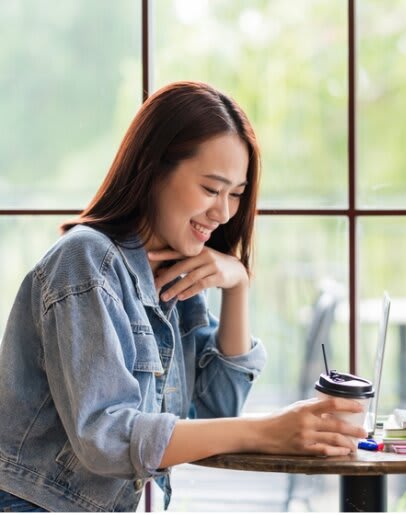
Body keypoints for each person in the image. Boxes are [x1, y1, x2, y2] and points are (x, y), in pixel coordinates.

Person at [0, 81, 366, 512]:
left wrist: (238, 286)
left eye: (236, 194)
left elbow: (215, 410)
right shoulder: (85, 261)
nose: (224, 212)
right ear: (153, 170)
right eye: (211, 189)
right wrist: (268, 430)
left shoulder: (179, 269)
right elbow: (106, 438)